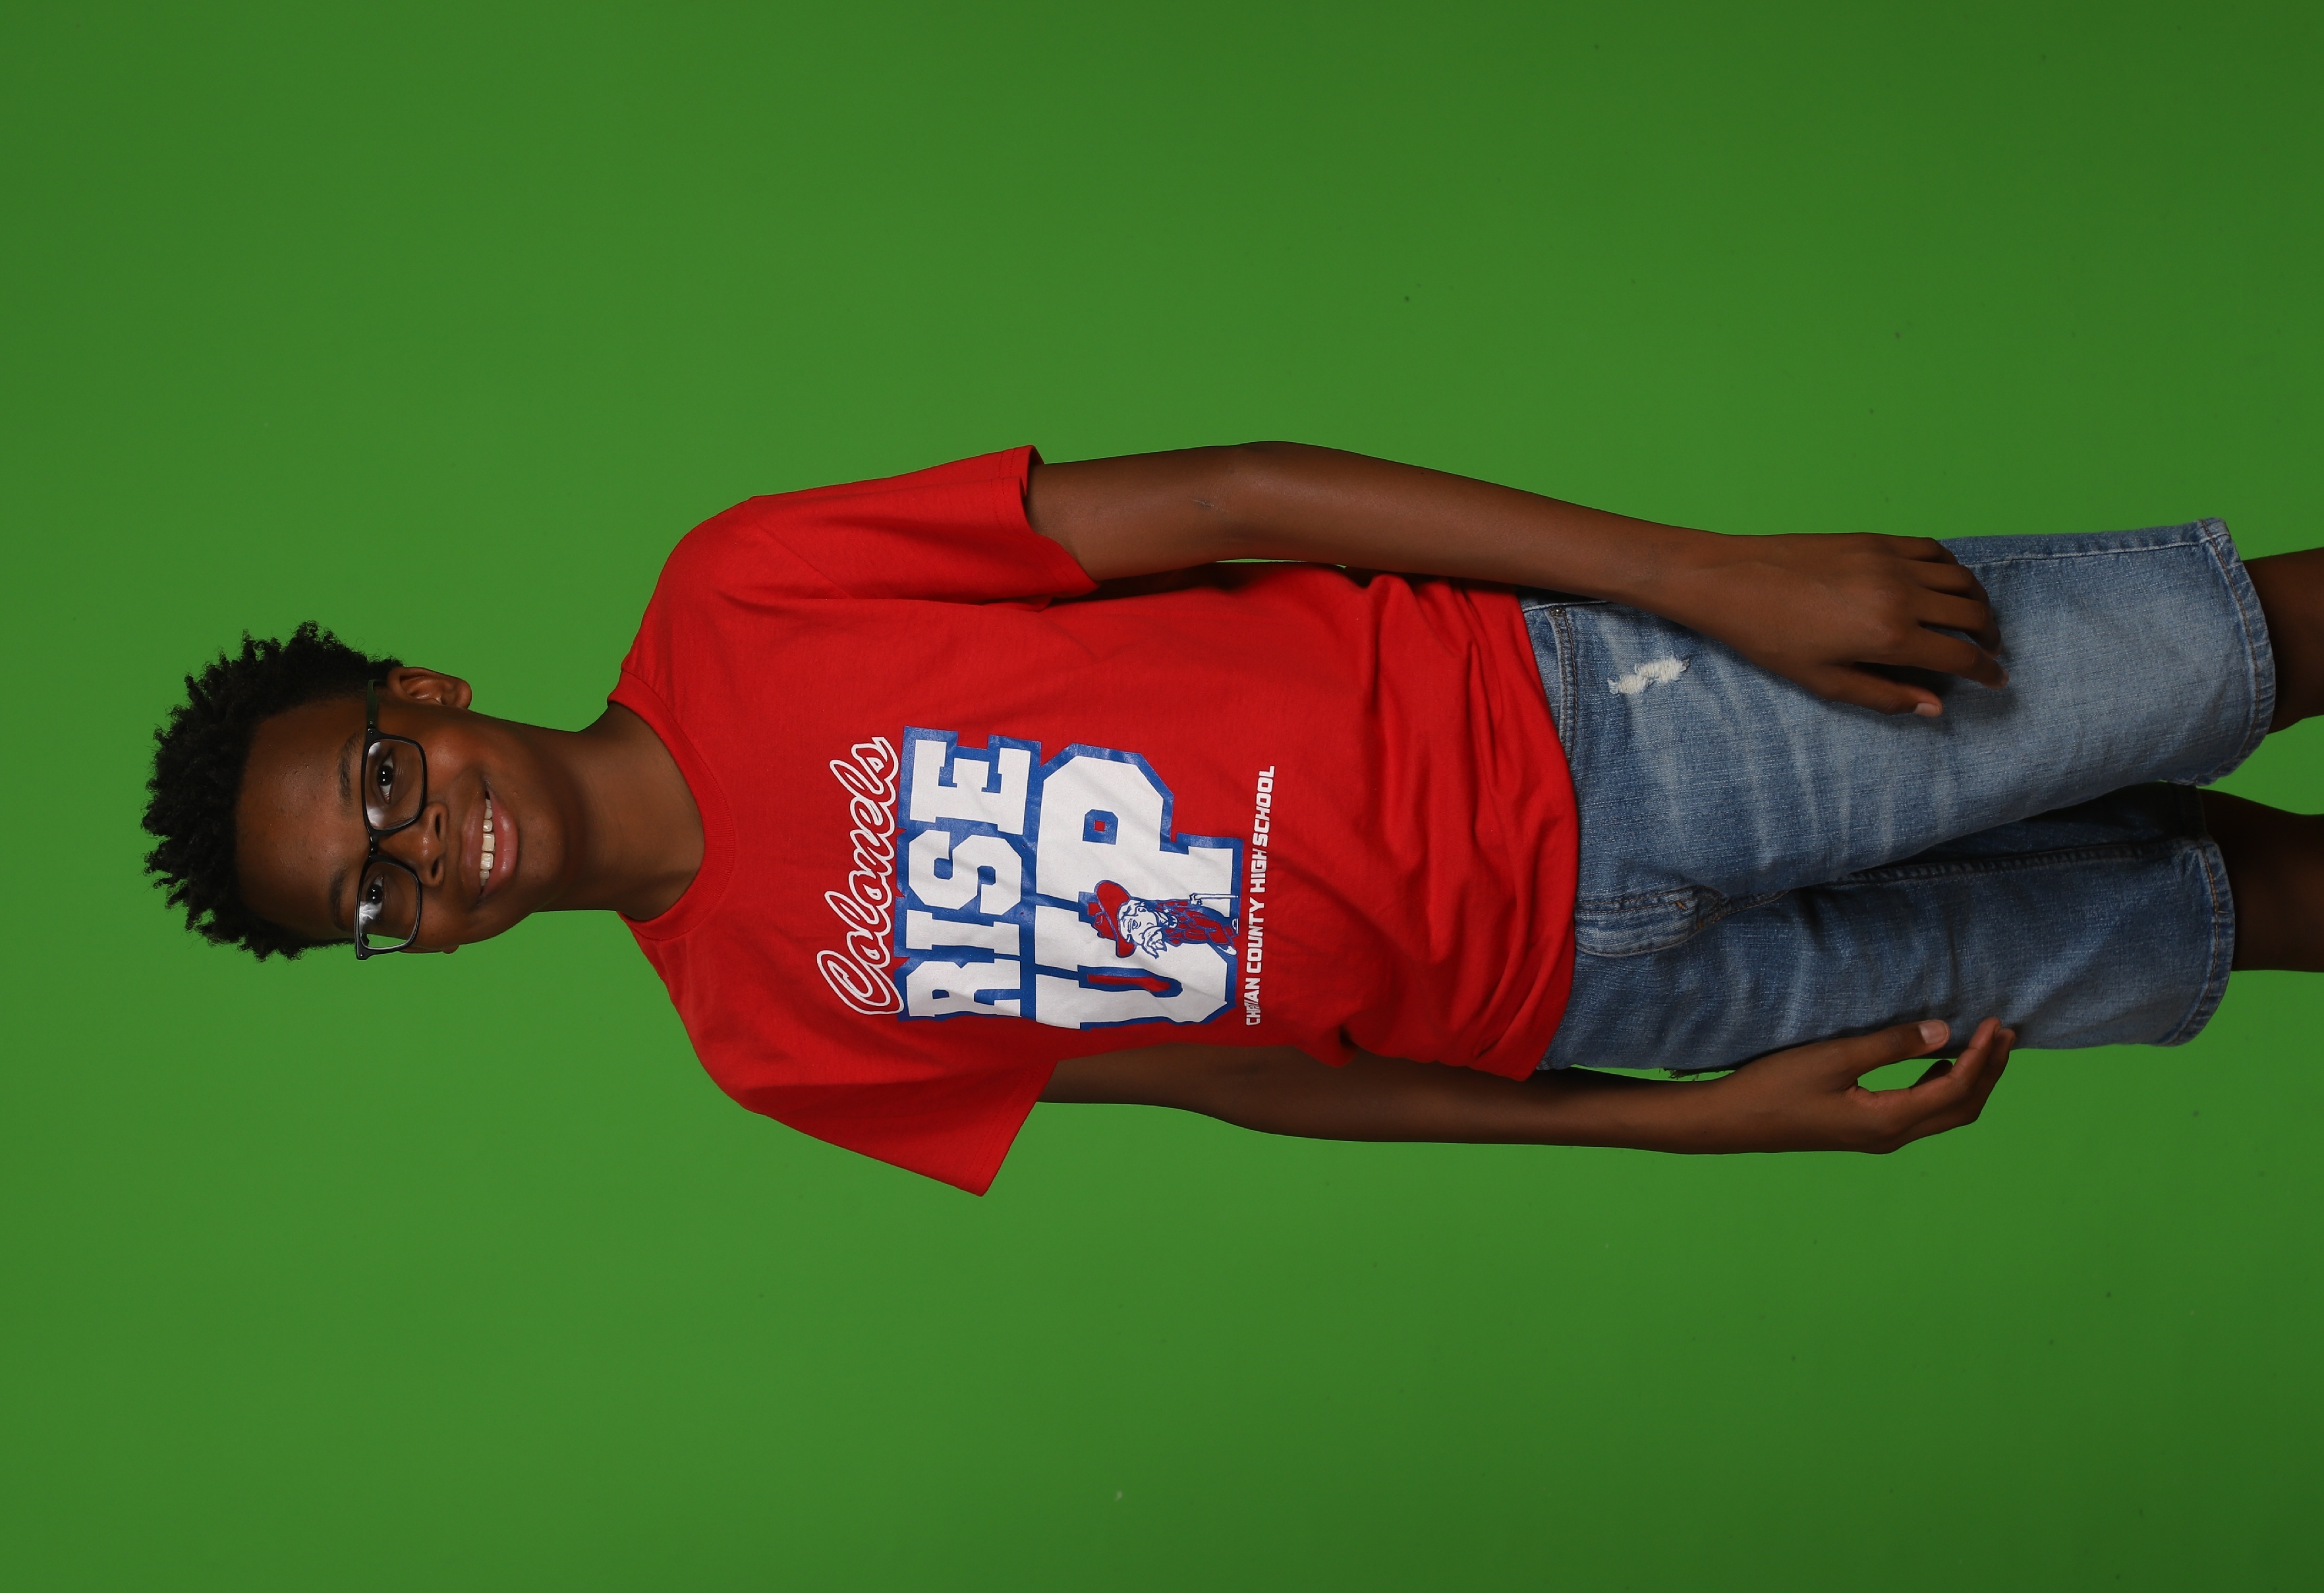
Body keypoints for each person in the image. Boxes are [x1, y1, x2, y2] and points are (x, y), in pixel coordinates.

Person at [142, 445, 2324, 1194]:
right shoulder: (762, 1044)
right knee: (2220, 909)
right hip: (1615, 993)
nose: (424, 856)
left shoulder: (741, 593)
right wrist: (1673, 1128)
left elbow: (1230, 500)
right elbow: (1243, 1079)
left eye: (385, 786)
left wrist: (1697, 576)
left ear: (424, 693)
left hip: (1613, 726)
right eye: (374, 899)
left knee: (2233, 651)